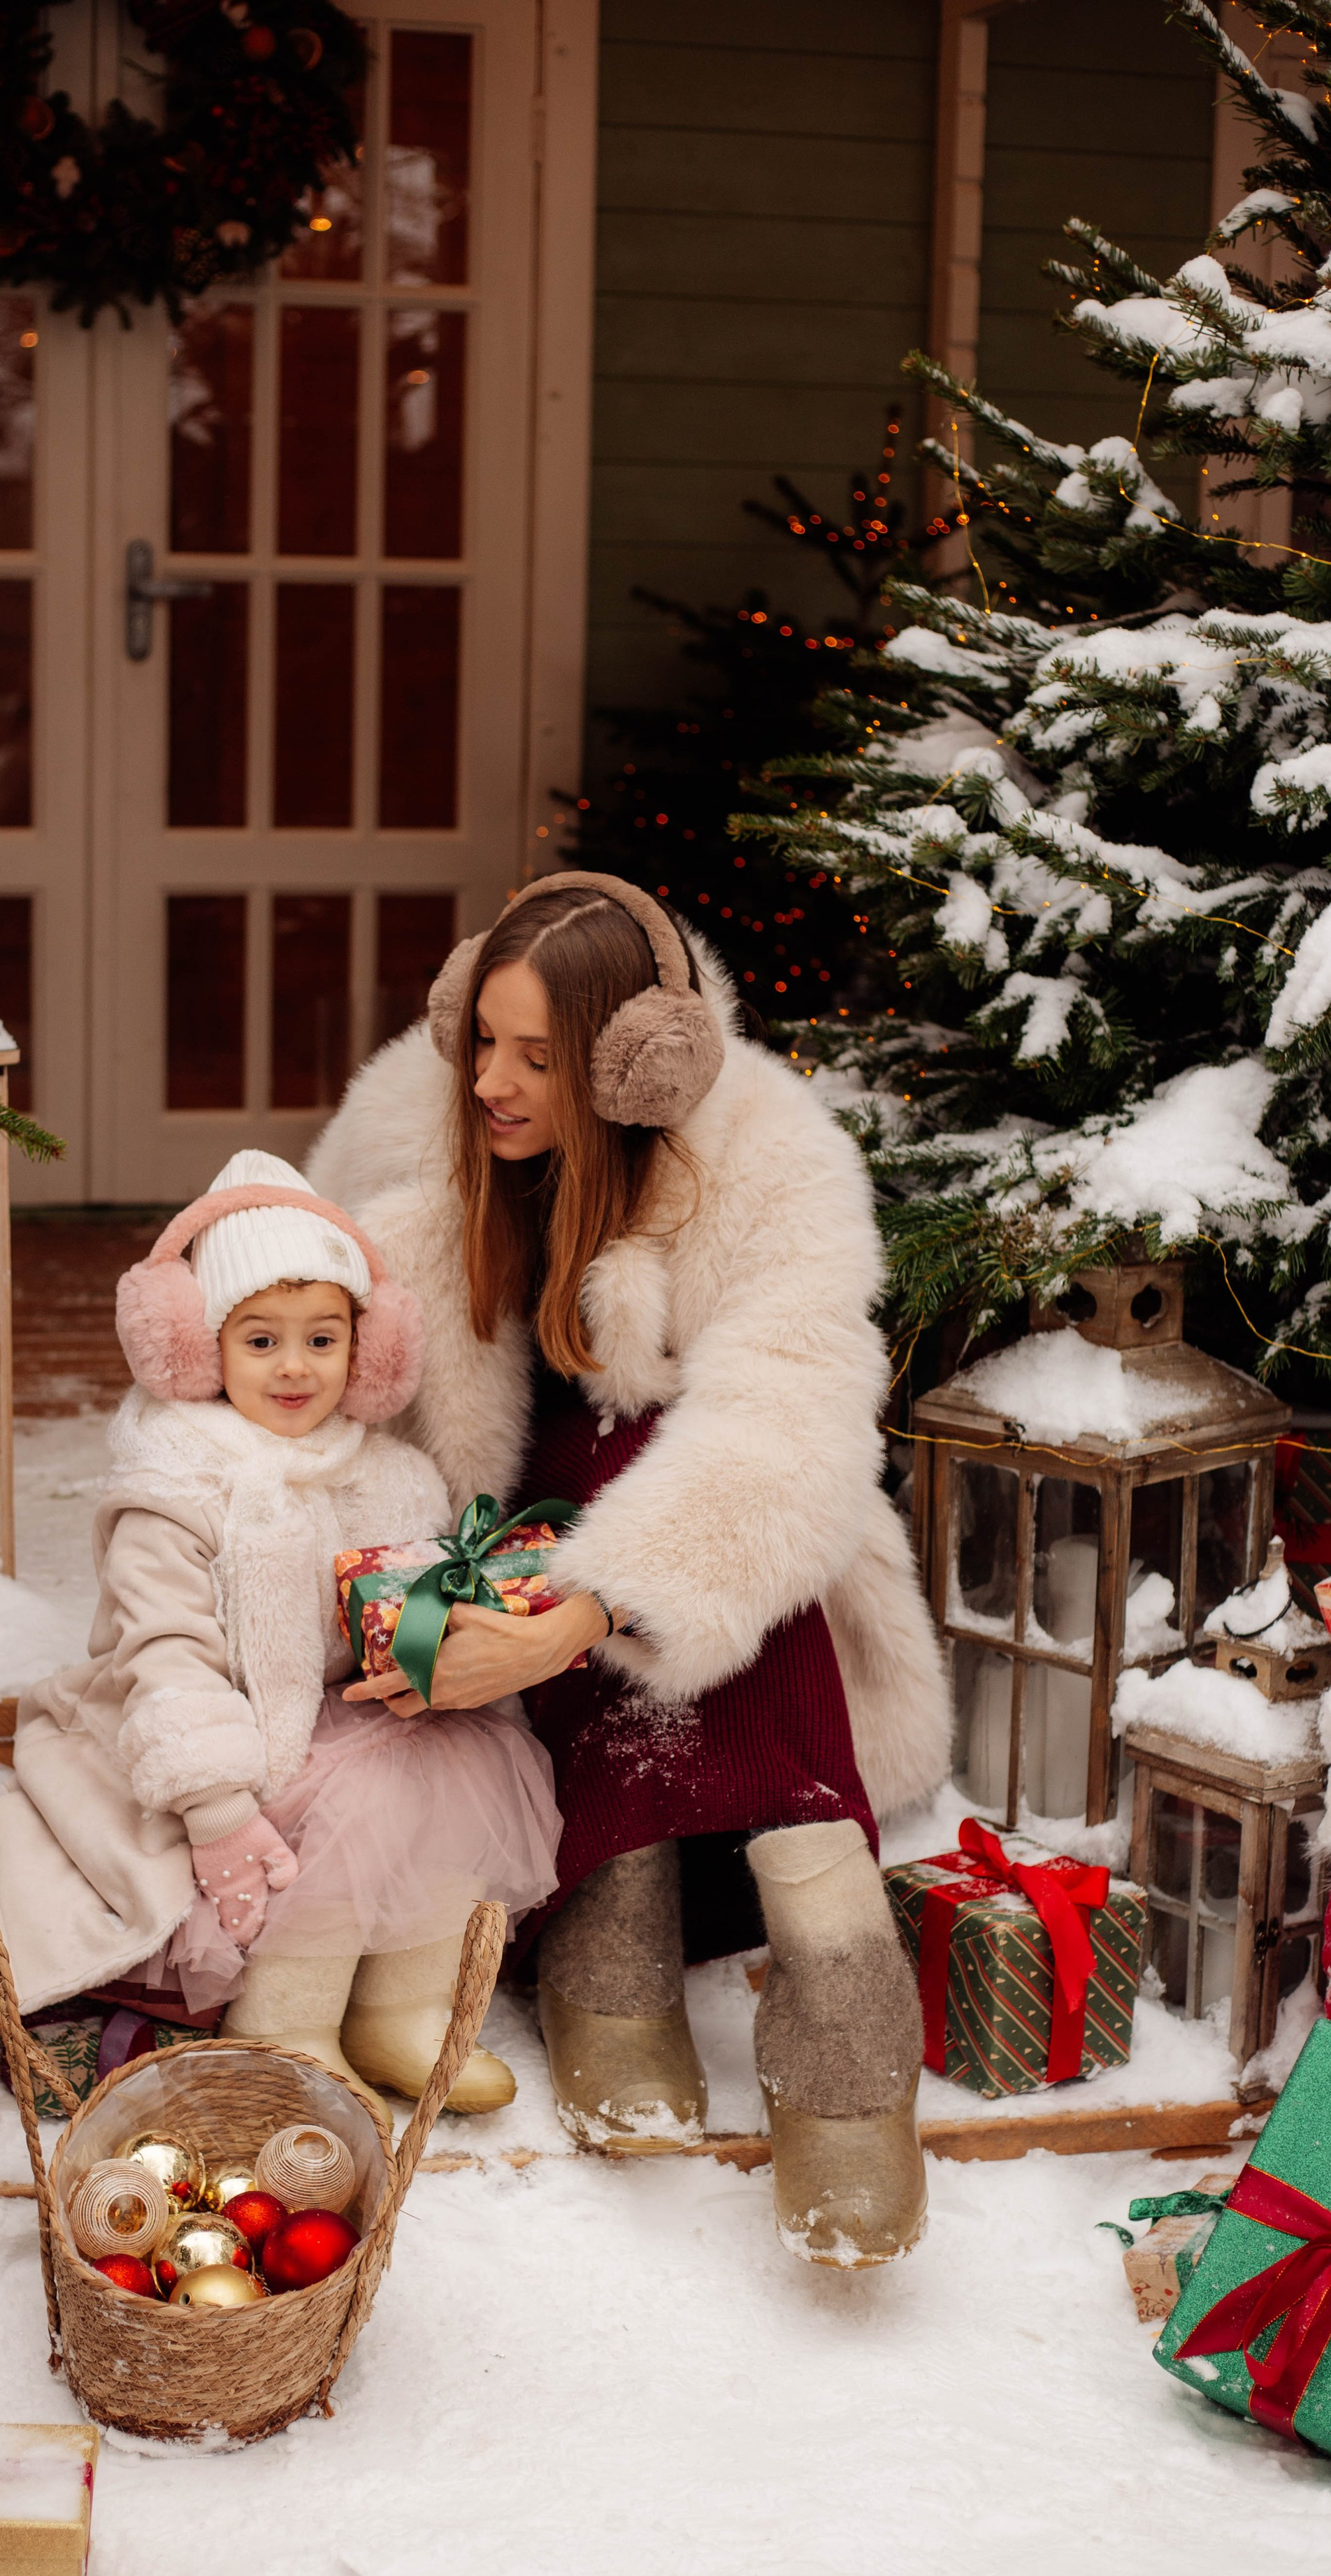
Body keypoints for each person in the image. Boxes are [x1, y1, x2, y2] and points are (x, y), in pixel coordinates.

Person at [310, 873, 951, 2264]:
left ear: (634, 1061)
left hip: (706, 1563)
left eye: (535, 1057)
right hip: (501, 1540)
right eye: (480, 1038)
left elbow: (786, 1433)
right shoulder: (407, 1138)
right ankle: (617, 1930)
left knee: (704, 1558)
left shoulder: (768, 1161)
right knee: (582, 1520)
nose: (487, 1080)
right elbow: (296, 1369)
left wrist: (590, 1611)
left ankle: (833, 1960)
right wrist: (424, 1597)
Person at [0, 1150, 561, 2123]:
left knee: (448, 1782)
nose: (296, 1368)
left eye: (323, 1340)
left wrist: (442, 1639)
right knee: (346, 1820)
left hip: (341, 1715)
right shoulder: (176, 1478)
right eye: (259, 1342)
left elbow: (400, 1611)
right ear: (200, 1348)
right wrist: (213, 1805)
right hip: (205, 1727)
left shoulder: (391, 1472)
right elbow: (164, 1651)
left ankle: (403, 2012)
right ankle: (287, 2026)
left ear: (368, 1351)